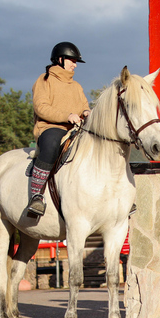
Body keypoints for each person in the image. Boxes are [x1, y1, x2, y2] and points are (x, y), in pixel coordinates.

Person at [27, 41, 91, 216]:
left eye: (76, 61)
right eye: (72, 60)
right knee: (52, 142)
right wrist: (67, 116)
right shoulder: (44, 80)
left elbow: (84, 106)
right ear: (60, 59)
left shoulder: (76, 86)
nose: (75, 65)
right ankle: (36, 197)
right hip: (50, 128)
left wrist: (86, 112)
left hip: (76, 130)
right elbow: (41, 107)